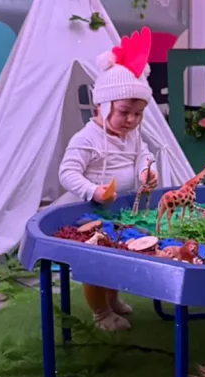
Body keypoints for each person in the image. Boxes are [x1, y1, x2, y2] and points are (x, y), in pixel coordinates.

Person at [59, 28, 159, 331]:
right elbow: (67, 173)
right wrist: (93, 190)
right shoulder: (86, 138)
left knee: (117, 258)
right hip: (90, 213)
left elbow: (143, 154)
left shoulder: (132, 136)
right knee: (97, 264)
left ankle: (113, 300)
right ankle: (100, 312)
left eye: (138, 114)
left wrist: (145, 171)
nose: (131, 120)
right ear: (102, 106)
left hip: (119, 211)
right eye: (125, 112)